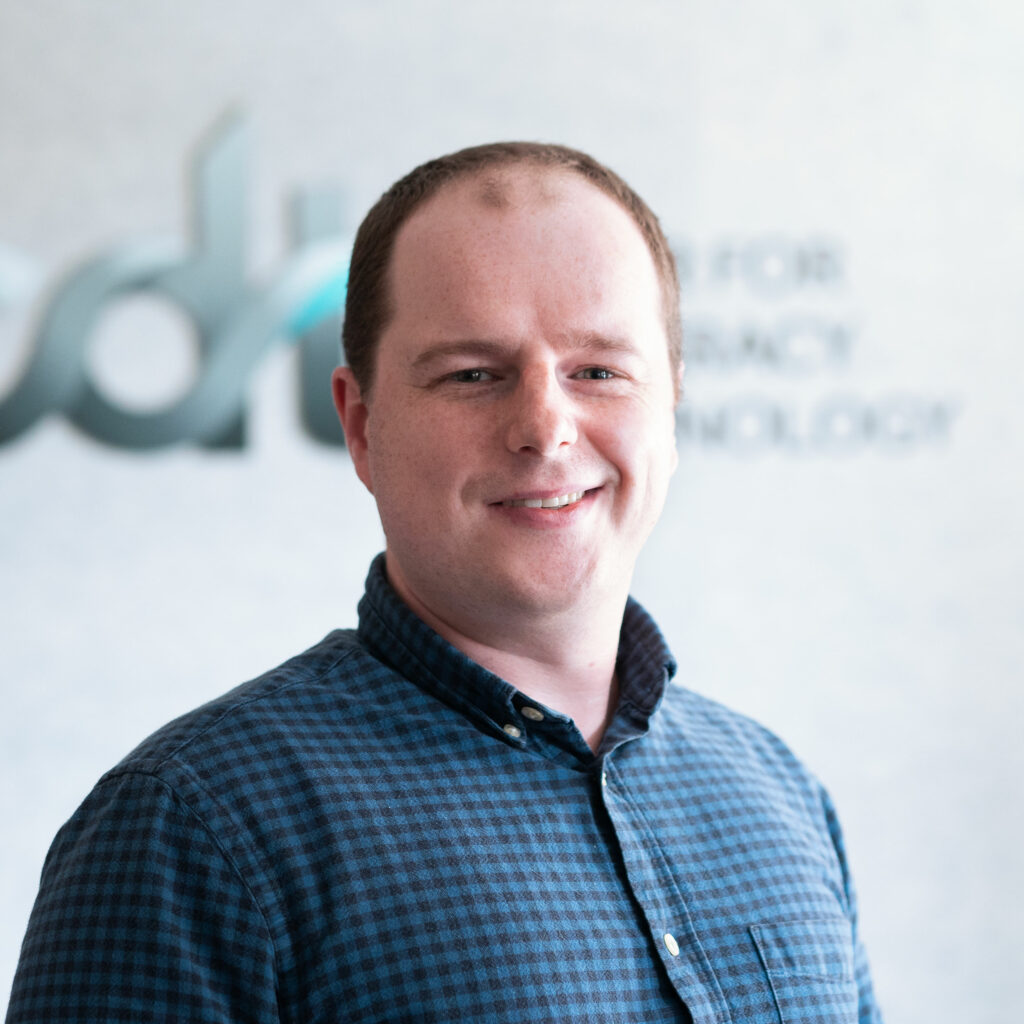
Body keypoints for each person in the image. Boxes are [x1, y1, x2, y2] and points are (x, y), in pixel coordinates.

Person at [7, 143, 882, 1023]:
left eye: (599, 372)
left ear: (671, 405)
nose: (545, 428)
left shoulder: (779, 792)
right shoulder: (191, 829)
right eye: (473, 375)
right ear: (360, 422)